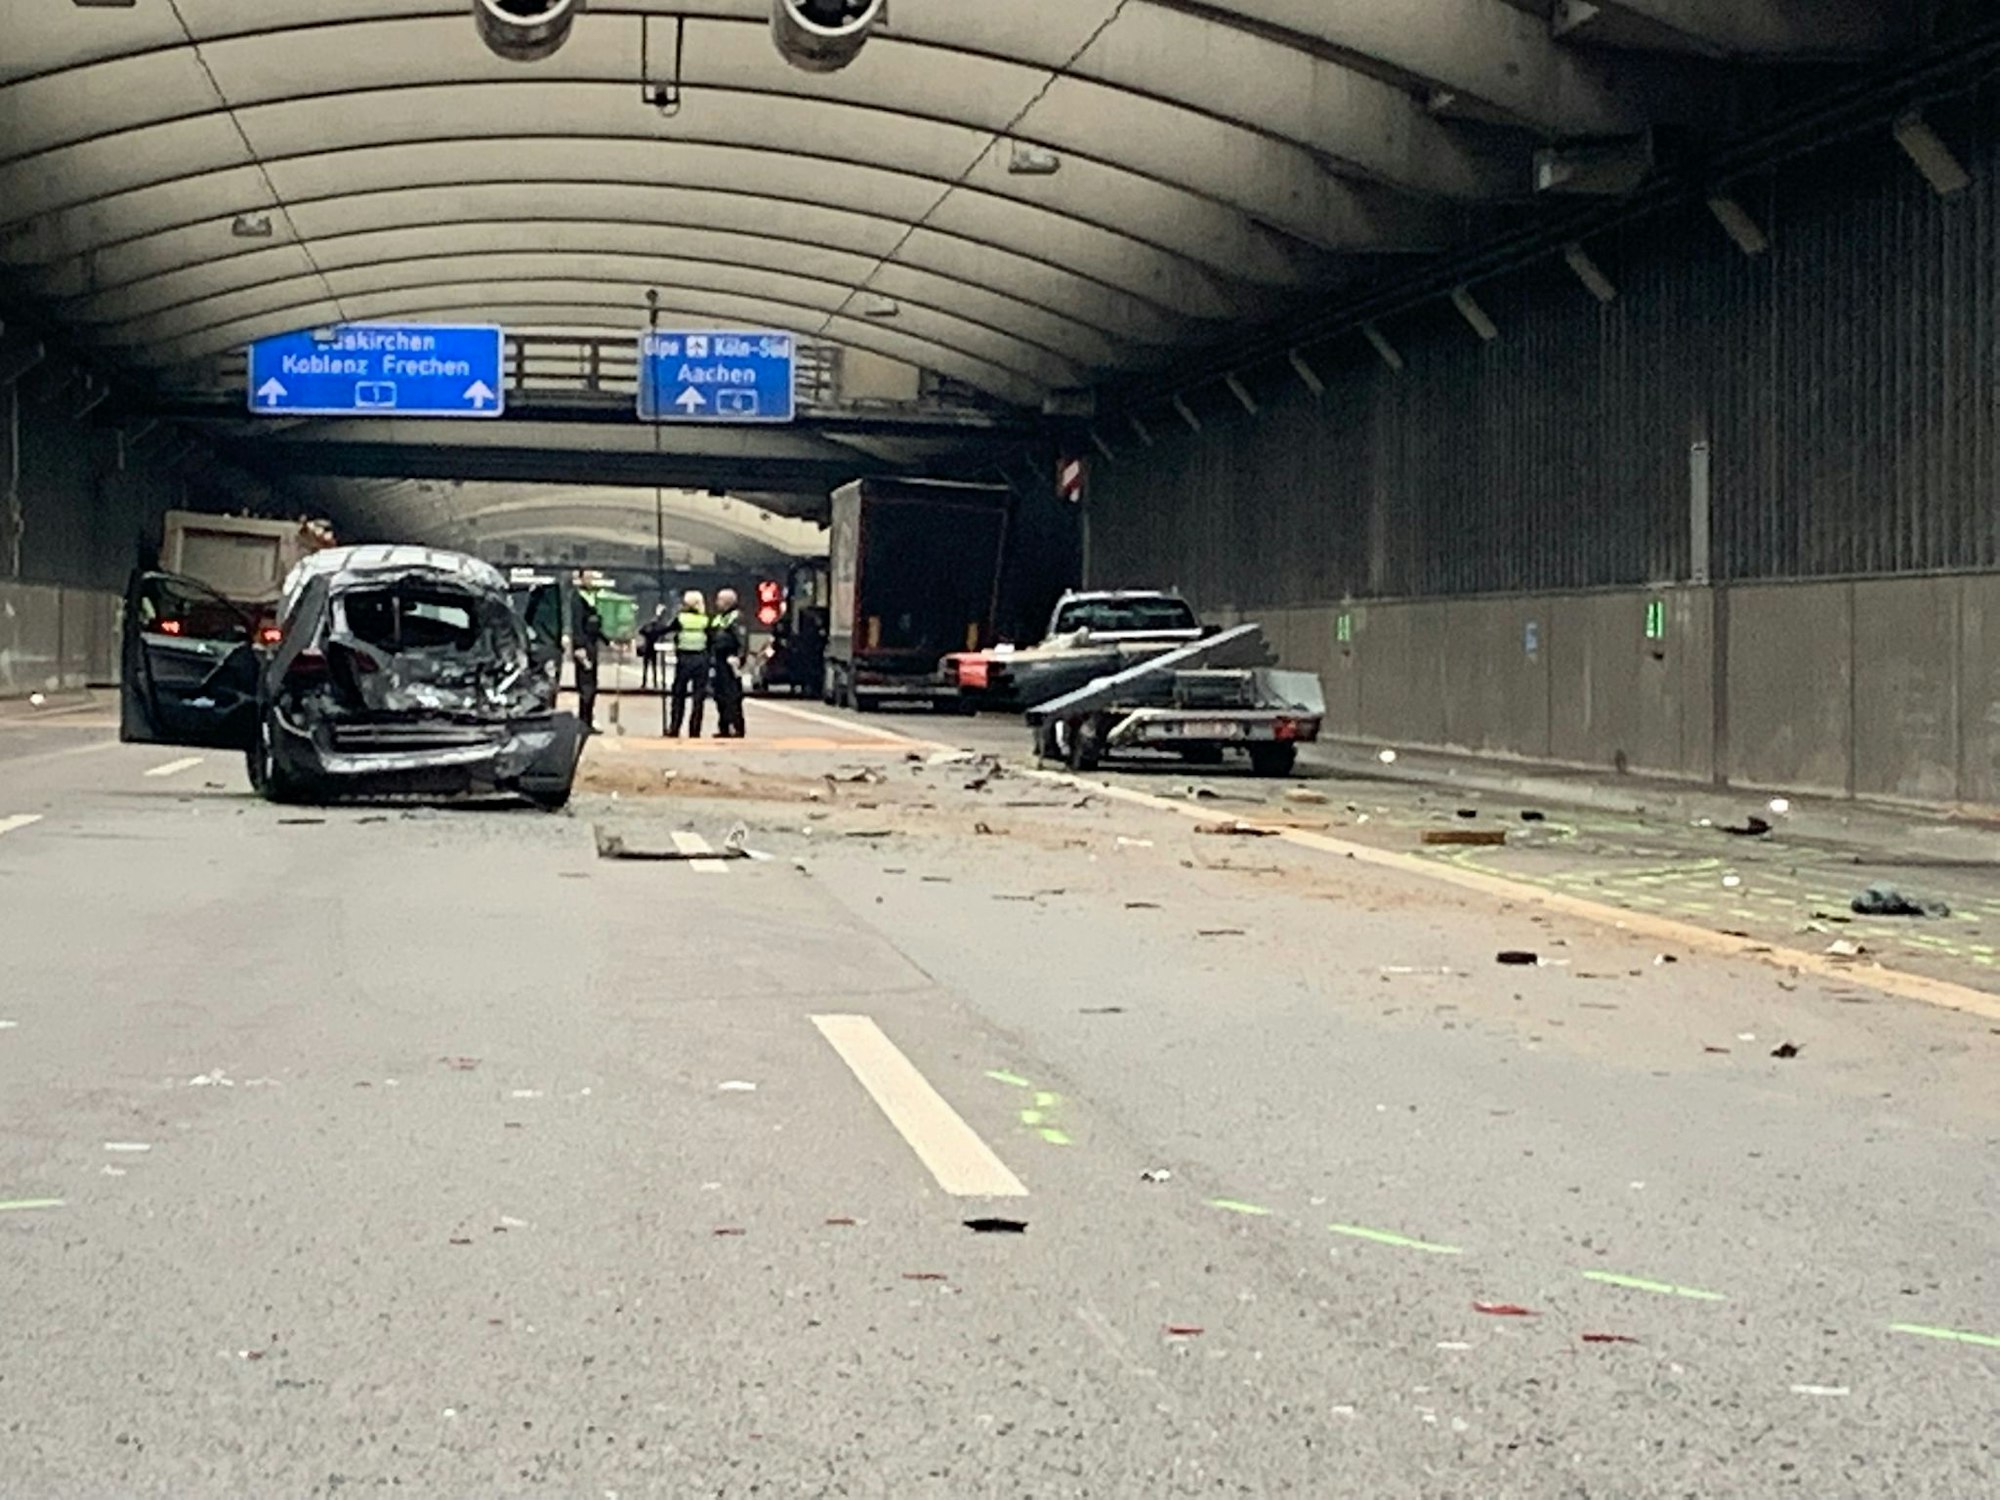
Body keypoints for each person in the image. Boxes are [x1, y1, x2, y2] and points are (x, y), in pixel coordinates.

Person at [666, 589, 711, 738]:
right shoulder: (706, 620)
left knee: (679, 694)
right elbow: (711, 640)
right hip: (701, 659)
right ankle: (695, 730)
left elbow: (666, 629)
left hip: (684, 659)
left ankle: (674, 727)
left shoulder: (680, 619)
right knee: (698, 697)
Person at [708, 587, 747, 739]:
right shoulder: (719, 618)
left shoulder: (736, 618)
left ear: (728, 602)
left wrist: (739, 658)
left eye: (720, 600)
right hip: (718, 660)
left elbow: (742, 639)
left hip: (730, 660)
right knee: (719, 695)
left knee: (733, 695)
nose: (717, 602)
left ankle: (737, 727)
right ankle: (723, 726)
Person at [572, 576, 605, 735]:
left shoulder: (593, 599)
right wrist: (579, 647)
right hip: (584, 647)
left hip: (592, 645)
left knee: (592, 685)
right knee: (585, 685)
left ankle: (588, 719)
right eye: (588, 577)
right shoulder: (578, 598)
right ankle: (583, 722)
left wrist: (607, 640)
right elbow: (577, 624)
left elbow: (595, 625)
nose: (591, 580)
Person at [636, 604, 669, 691]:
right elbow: (663, 632)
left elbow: (641, 631)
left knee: (646, 667)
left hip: (648, 647)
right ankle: (654, 683)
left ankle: (644, 683)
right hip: (653, 648)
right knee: (653, 666)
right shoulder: (658, 627)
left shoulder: (648, 626)